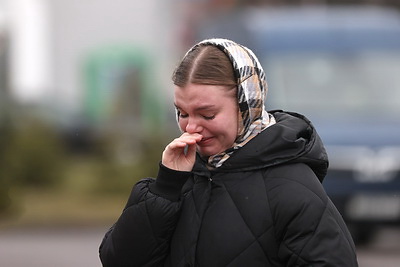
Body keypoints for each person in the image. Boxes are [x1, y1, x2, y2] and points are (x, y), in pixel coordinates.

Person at [99, 38, 358, 266]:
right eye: (182, 112)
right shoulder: (182, 178)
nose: (191, 127)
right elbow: (118, 260)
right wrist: (166, 188)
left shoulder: (293, 188)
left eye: (207, 114)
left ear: (247, 106)